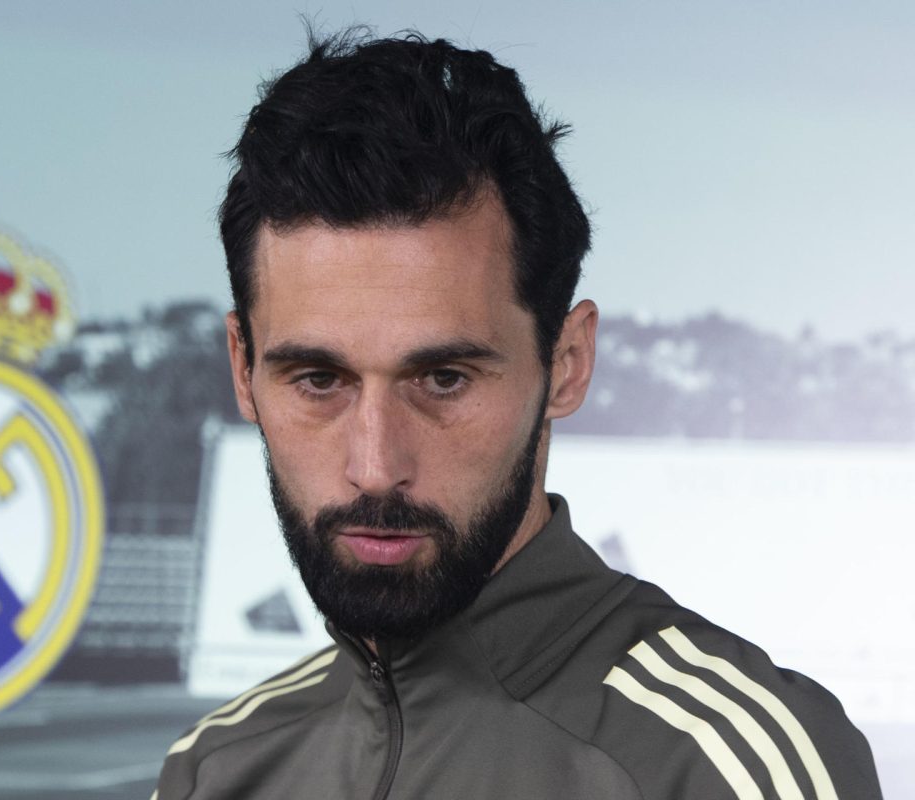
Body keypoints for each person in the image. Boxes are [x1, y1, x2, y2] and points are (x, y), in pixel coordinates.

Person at [153, 29, 882, 799]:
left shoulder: (725, 766)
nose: (374, 464)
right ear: (242, 368)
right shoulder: (214, 767)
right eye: (318, 379)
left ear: (566, 363)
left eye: (442, 378)